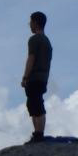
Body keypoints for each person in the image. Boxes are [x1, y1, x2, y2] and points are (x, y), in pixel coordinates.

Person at [22, 11, 52, 144]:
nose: (29, 25)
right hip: (44, 78)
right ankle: (38, 133)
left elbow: (31, 58)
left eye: (31, 22)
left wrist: (25, 76)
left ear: (35, 22)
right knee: (35, 103)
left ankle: (39, 134)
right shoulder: (47, 41)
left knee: (35, 104)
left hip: (34, 77)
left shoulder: (34, 40)